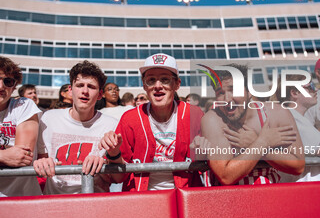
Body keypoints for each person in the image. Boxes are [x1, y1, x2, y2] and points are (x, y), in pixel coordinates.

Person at [100, 53, 203, 191]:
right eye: (151, 80)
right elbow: (118, 178)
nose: (158, 86)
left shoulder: (195, 115)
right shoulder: (130, 118)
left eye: (165, 79)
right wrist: (113, 153)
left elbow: (211, 165)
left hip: (186, 197)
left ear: (177, 84)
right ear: (144, 85)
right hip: (142, 200)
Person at [201, 64, 305, 185]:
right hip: (229, 199)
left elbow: (298, 166)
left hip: (270, 196)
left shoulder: (277, 113)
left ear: (249, 91)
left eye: (234, 90)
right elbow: (226, 176)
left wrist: (256, 144)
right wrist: (261, 143)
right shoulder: (212, 119)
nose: (227, 99)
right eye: (220, 92)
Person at [33, 60, 123, 194]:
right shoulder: (48, 119)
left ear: (99, 94)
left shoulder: (112, 124)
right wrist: (40, 164)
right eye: (80, 85)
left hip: (95, 205)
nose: (85, 91)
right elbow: (41, 159)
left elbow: (119, 178)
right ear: (70, 90)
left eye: (91, 87)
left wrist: (106, 162)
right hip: (55, 205)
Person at [275, 75, 320, 182]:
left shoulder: (285, 115)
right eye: (311, 86)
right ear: (295, 93)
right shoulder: (292, 115)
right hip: (309, 188)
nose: (316, 89)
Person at [0, 56, 42, 197]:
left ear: (14, 87)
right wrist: (3, 155)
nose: (1, 86)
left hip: (22, 198)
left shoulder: (23, 105)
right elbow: (10, 156)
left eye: (7, 81)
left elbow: (23, 157)